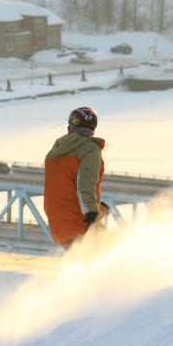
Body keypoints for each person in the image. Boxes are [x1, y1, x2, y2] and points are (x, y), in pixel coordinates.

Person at [43, 105, 108, 250]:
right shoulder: (90, 149)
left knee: (87, 265)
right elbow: (84, 187)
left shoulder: (53, 153)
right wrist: (93, 215)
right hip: (79, 223)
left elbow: (63, 188)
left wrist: (99, 208)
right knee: (115, 250)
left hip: (59, 228)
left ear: (70, 128)